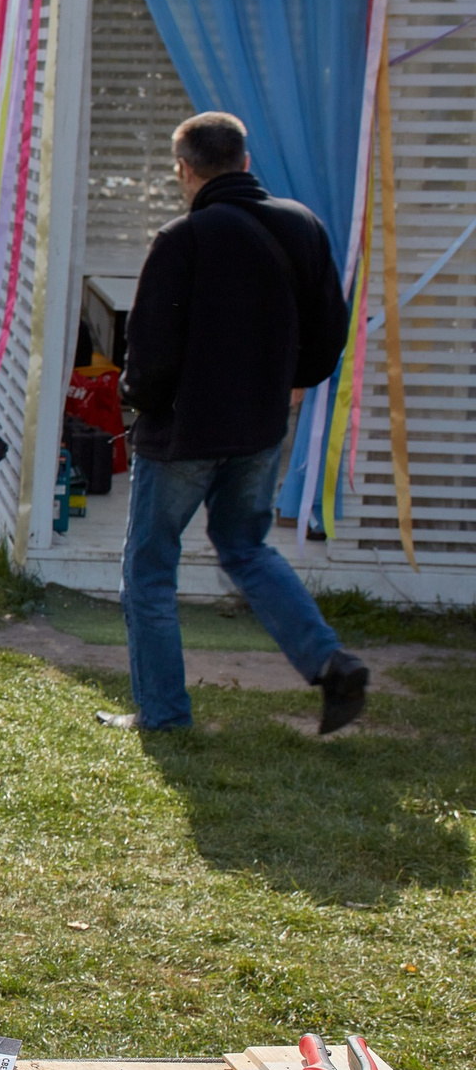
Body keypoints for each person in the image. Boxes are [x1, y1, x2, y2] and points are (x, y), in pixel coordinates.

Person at [116, 110, 364, 735]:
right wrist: (288, 382)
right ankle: (329, 661)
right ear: (245, 162)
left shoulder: (183, 239)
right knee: (247, 547)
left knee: (149, 571)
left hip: (182, 435)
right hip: (260, 429)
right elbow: (331, 331)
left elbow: (149, 352)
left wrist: (138, 399)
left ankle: (164, 715)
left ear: (185, 169)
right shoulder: (302, 226)